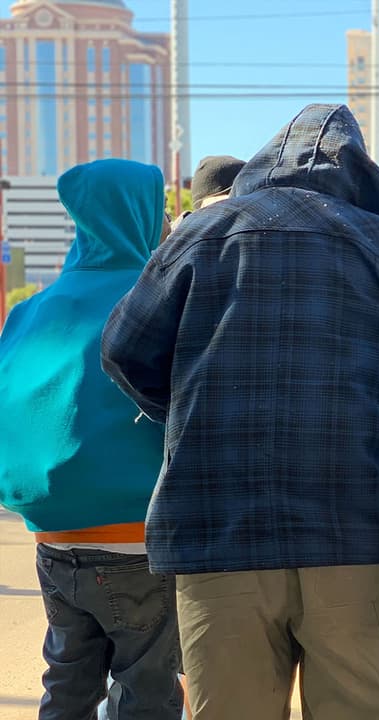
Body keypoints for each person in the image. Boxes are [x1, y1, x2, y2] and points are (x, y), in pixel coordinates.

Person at [100, 103, 379, 719]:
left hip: (218, 529)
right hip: (361, 530)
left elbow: (123, 352)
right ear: (361, 174)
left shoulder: (199, 234)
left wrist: (190, 413)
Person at [0, 159, 182, 719]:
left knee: (68, 682)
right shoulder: (158, 299)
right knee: (145, 691)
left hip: (53, 536)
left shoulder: (32, 309)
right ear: (145, 215)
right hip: (139, 536)